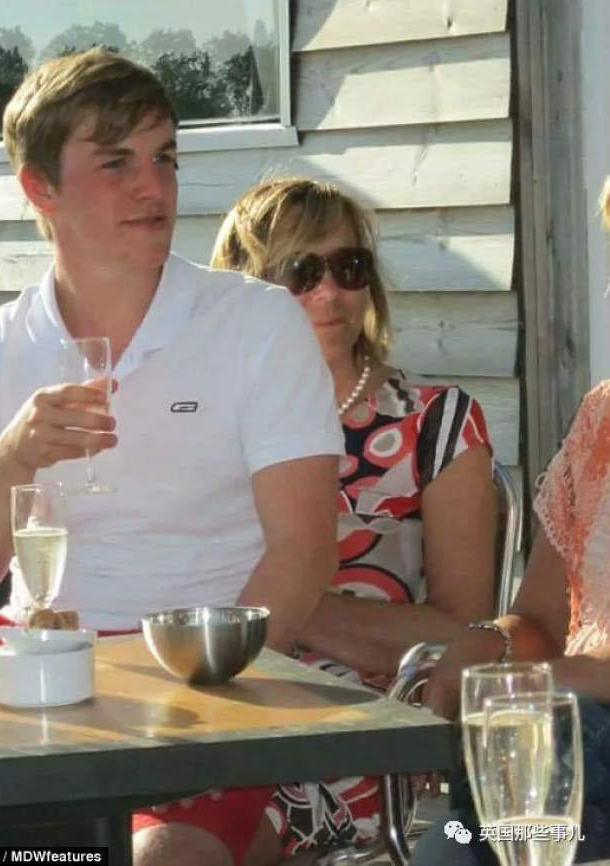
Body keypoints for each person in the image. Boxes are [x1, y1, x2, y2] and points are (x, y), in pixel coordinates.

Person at [0, 50, 345, 865]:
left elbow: (303, 552)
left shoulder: (255, 323)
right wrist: (9, 462)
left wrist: (210, 708)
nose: (154, 187)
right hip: (32, 691)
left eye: (165, 158)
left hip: (213, 689)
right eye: (117, 163)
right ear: (39, 188)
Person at [208, 177, 497, 858]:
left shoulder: (435, 425)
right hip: (219, 697)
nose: (329, 293)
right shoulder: (205, 425)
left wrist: (281, 598)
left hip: (361, 718)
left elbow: (465, 632)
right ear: (244, 292)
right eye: (299, 273)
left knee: (220, 828)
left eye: (349, 266)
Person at [411, 180, 610, 866]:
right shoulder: (602, 420)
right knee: (451, 847)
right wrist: (486, 645)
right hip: (569, 736)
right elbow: (540, 619)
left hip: (578, 733)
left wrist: (559, 677)